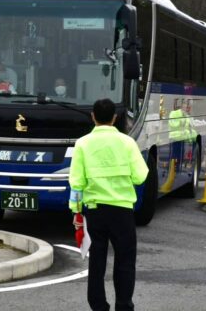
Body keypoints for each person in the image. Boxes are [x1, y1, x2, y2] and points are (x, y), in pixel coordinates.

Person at [69, 98, 149, 311]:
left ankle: (98, 306)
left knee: (96, 262)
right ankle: (123, 305)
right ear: (115, 117)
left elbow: (76, 183)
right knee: (125, 261)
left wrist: (76, 213)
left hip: (95, 211)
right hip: (122, 211)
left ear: (93, 116)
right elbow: (141, 176)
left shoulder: (83, 144)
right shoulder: (127, 143)